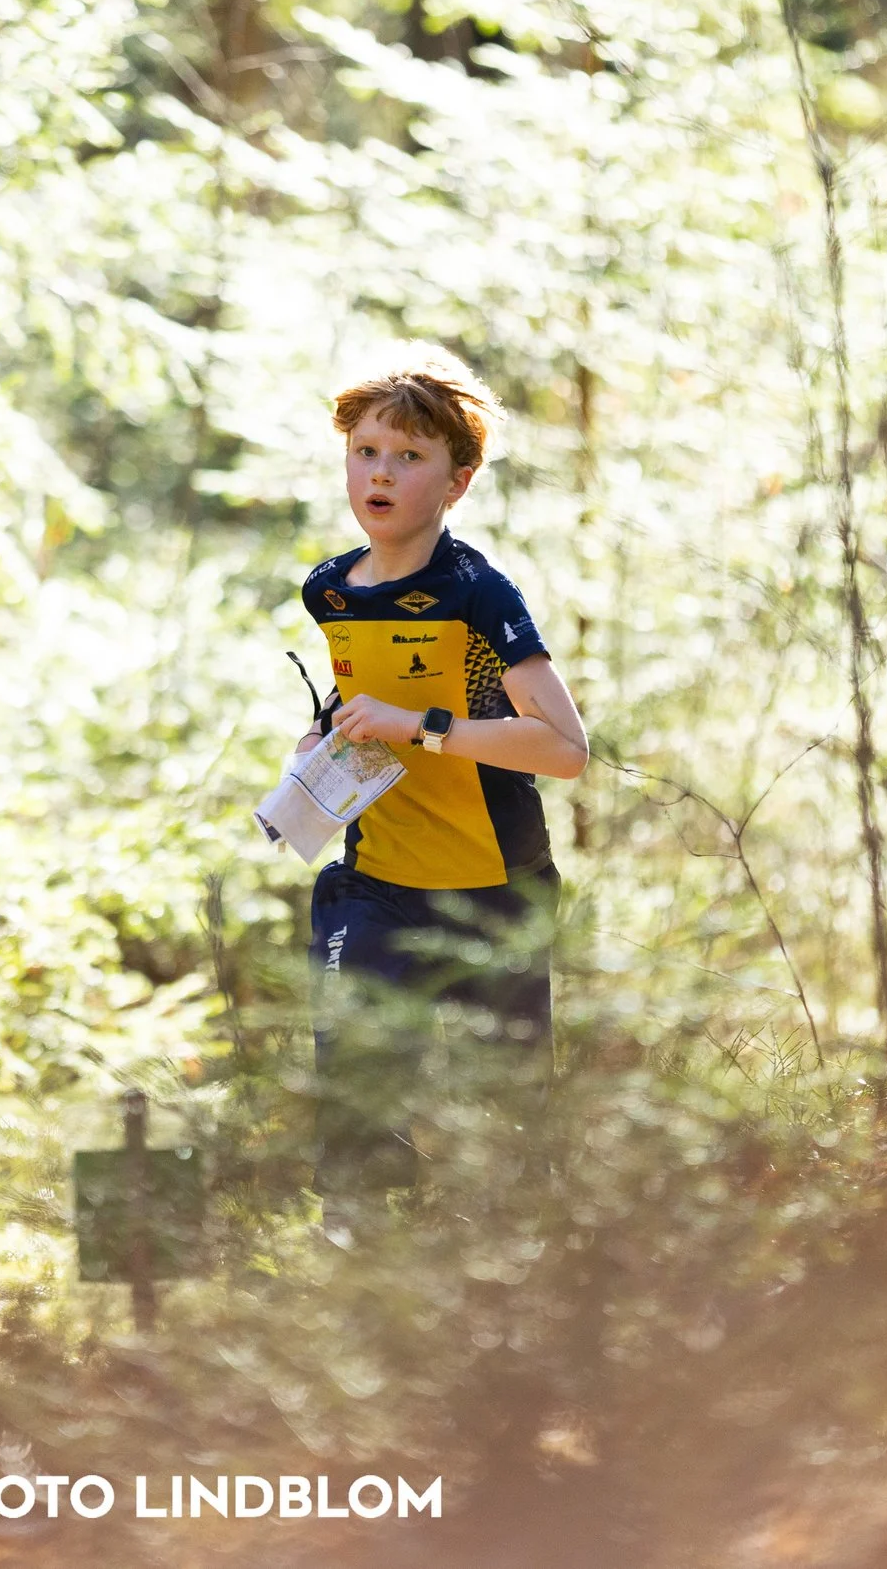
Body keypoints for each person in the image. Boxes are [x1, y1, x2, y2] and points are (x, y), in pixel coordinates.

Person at [292, 345, 589, 1211]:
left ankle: (513, 1279)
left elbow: (564, 747)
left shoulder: (478, 594)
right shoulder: (329, 592)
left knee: (511, 1127)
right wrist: (318, 743)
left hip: (495, 886)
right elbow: (363, 698)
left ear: (456, 483)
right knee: (351, 1083)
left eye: (410, 457)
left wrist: (418, 729)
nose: (380, 473)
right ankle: (356, 1247)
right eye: (366, 452)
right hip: (378, 876)